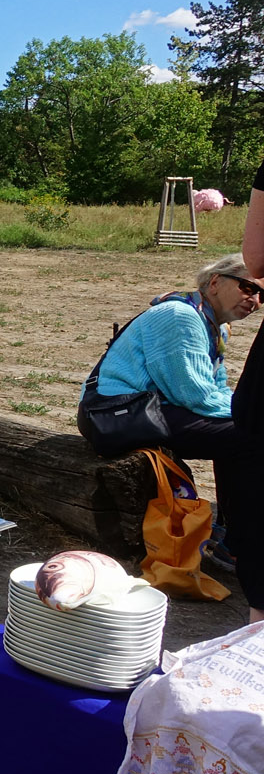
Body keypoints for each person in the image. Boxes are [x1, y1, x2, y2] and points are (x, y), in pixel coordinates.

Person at [84, 253, 264, 623]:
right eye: (248, 287)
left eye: (262, 296)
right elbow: (194, 394)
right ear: (215, 282)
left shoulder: (212, 323)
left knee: (242, 435)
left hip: (147, 410)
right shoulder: (180, 316)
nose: (254, 300)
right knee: (248, 439)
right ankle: (235, 543)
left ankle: (231, 538)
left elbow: (215, 390)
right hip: (117, 414)